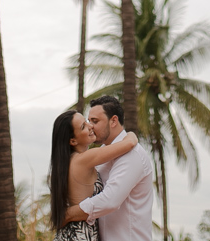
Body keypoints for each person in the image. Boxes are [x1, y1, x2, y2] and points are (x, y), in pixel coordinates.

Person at [65, 95, 154, 241]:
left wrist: (68, 215)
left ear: (113, 121)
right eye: (88, 121)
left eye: (95, 121)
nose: (90, 126)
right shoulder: (100, 156)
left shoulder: (132, 155)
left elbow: (109, 201)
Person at [50, 107, 139, 241]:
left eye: (87, 121)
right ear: (73, 141)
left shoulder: (66, 163)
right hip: (80, 235)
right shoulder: (83, 159)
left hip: (68, 234)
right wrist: (130, 133)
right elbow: (130, 143)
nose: (90, 126)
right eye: (83, 127)